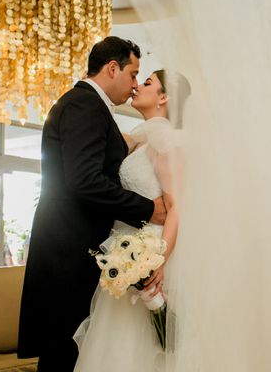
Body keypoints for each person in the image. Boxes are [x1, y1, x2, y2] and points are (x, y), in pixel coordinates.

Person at [17, 37, 169, 372]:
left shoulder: (90, 107)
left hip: (78, 250)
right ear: (112, 68)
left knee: (69, 352)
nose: (133, 86)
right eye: (133, 74)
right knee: (63, 352)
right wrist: (147, 208)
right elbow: (84, 181)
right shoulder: (84, 106)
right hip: (69, 252)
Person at [73, 69, 188, 372]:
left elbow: (176, 207)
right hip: (126, 253)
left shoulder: (165, 142)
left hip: (152, 251)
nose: (137, 86)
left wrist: (158, 260)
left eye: (147, 82)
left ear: (164, 97)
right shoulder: (140, 139)